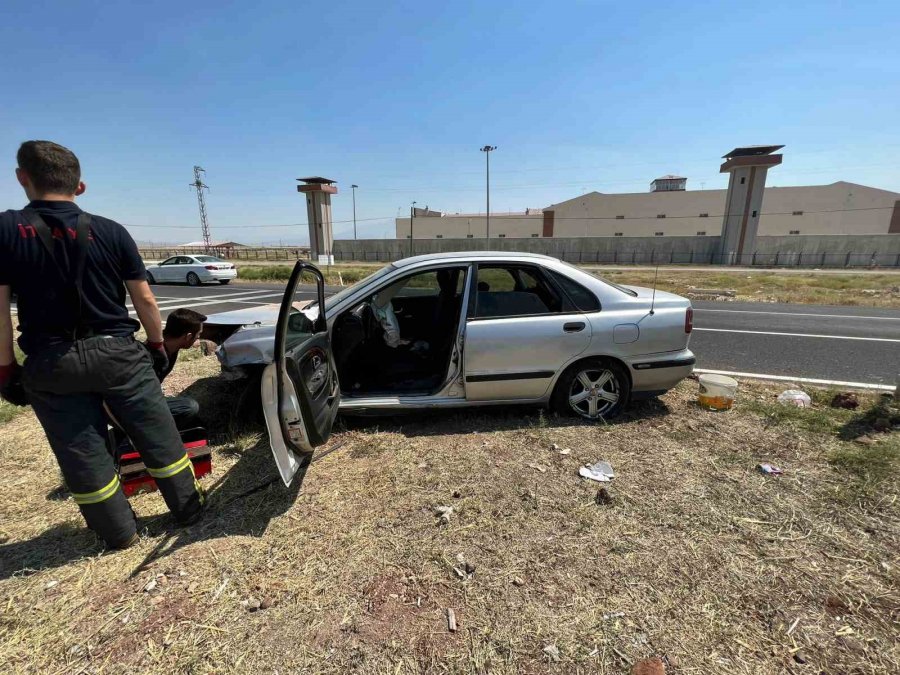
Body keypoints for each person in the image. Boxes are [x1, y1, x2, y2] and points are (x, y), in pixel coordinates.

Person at [0, 140, 205, 550]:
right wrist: (155, 344)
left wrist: (7, 369)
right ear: (80, 186)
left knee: (82, 452)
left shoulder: (5, 230)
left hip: (50, 360)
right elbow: (145, 299)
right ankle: (189, 511)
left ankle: (118, 534)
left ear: (23, 178)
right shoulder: (111, 230)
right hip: (116, 352)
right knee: (158, 435)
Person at [157, 308, 206, 429]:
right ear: (188, 336)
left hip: (147, 398)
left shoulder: (171, 347)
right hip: (134, 407)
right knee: (189, 407)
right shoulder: (155, 356)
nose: (198, 339)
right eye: (198, 335)